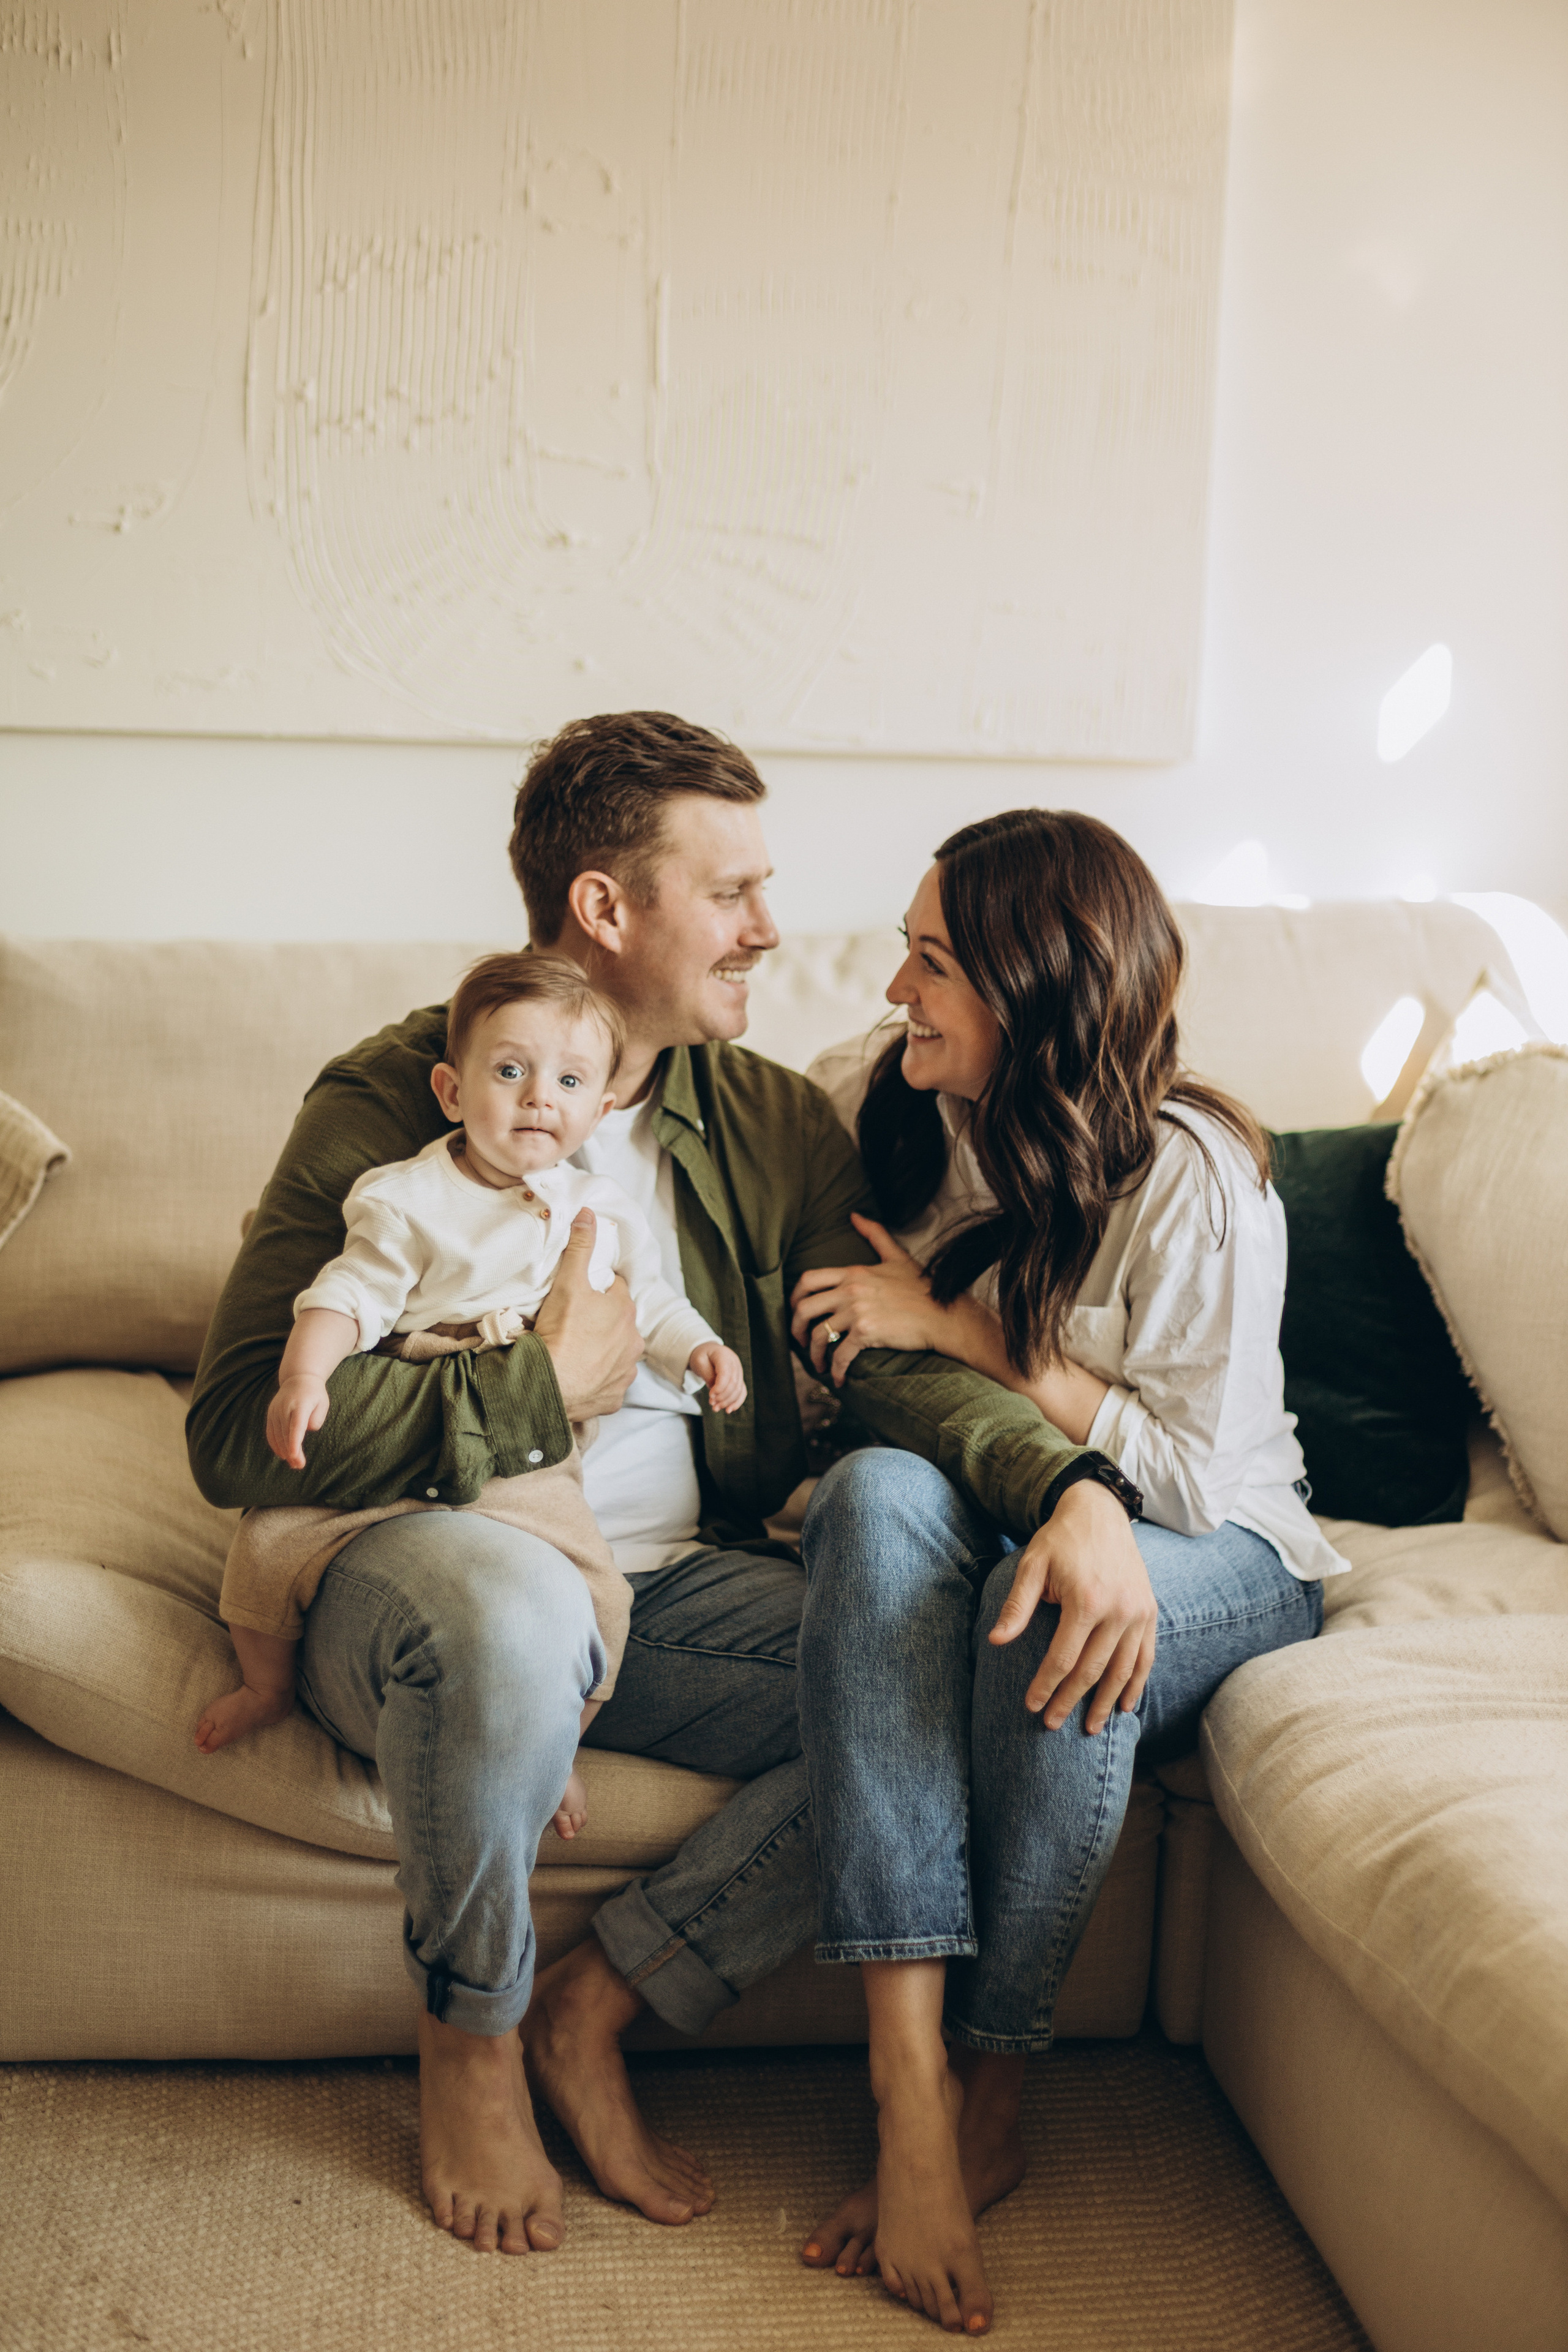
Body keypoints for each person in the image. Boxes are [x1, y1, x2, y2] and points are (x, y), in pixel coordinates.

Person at [185, 716, 1137, 2261]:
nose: (770, 926)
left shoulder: (758, 1117)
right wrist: (529, 1392)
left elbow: (870, 1352)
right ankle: (470, 2034)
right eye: (734, 890)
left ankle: (599, 2000)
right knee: (501, 1606)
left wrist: (1069, 1485)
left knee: (959, 1692)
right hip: (425, 1562)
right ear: (604, 909)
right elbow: (238, 1431)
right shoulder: (397, 1100)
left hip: (666, 1590)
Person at [789, 809, 1346, 2336]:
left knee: (1034, 1604)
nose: (895, 990)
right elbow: (845, 1350)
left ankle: (992, 2089)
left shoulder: (1192, 1177)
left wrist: (964, 1334)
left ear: (1033, 991)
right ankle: (905, 2090)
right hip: (1001, 1509)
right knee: (873, 1496)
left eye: (930, 964)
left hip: (1225, 1550)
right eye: (904, 954)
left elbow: (1180, 1473)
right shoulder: (886, 1100)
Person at [193, 954, 745, 1860]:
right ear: (452, 1090)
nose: (538, 1099)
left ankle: (556, 1740)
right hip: (422, 1400)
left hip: (532, 1461)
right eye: (510, 1073)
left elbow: (653, 1308)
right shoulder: (408, 1197)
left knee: (601, 1598)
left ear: (600, 1109)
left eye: (568, 1081)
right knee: (268, 1543)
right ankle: (267, 1682)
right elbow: (345, 1297)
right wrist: (304, 1379)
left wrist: (705, 1352)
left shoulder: (600, 1210)